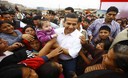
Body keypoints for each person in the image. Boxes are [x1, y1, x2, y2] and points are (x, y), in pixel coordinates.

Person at [55, 13, 83, 78]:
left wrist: (55, 46)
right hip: (56, 59)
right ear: (64, 22)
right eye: (68, 23)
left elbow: (71, 53)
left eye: (74, 24)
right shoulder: (56, 32)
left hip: (70, 62)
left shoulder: (80, 36)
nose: (71, 27)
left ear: (78, 24)